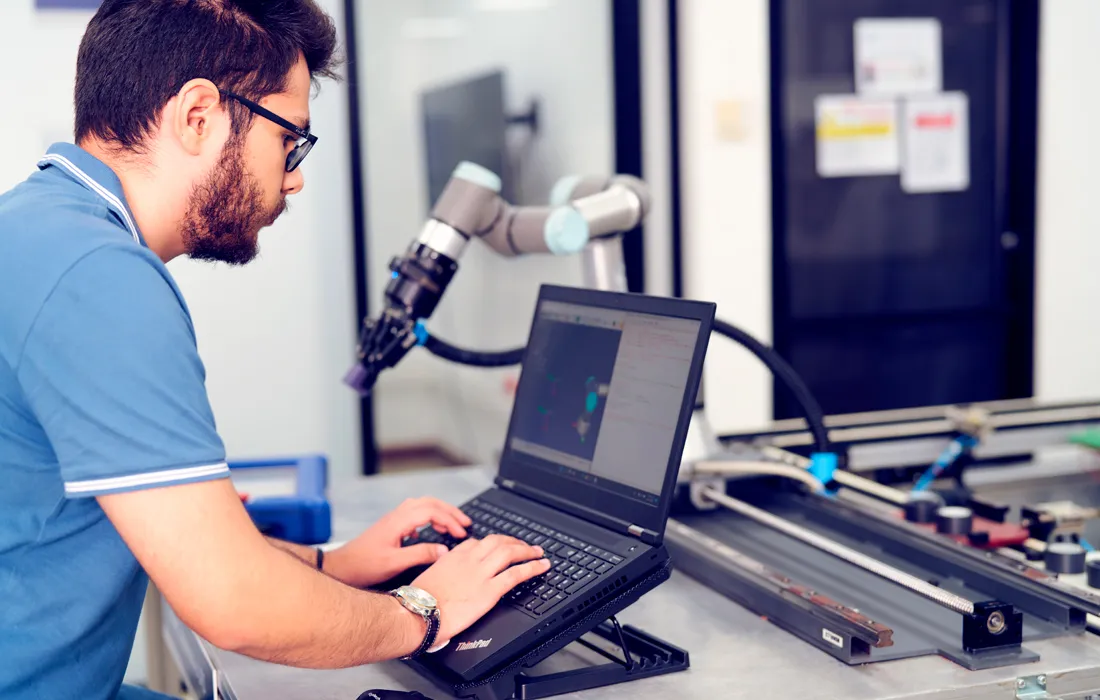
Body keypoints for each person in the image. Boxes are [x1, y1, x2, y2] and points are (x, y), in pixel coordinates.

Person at [0, 2, 550, 699]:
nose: (294, 178)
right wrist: (424, 611)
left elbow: (180, 528)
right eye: (290, 140)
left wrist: (333, 564)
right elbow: (232, 600)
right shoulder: (97, 277)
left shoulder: (40, 228)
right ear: (197, 117)